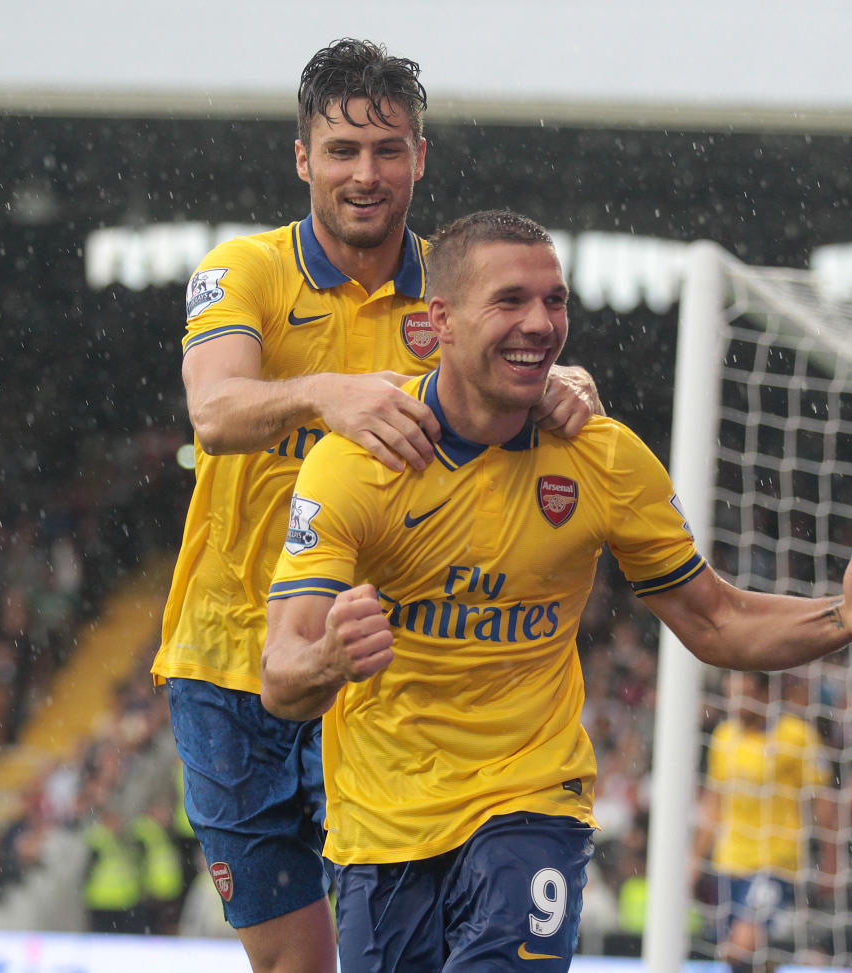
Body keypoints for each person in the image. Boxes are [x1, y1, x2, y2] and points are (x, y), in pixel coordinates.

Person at [260, 210, 852, 973]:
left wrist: (842, 614)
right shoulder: (355, 462)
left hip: (533, 803)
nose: (541, 323)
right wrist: (332, 658)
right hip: (383, 826)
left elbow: (717, 619)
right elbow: (282, 676)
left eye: (556, 301)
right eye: (511, 301)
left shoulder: (601, 457)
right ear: (440, 318)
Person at [150, 41, 600, 973]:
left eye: (388, 149)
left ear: (420, 159)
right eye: (344, 150)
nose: (367, 173)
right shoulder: (246, 272)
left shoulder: (458, 290)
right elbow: (214, 410)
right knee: (295, 963)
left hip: (383, 669)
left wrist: (565, 386)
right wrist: (328, 394)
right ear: (304, 157)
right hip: (231, 661)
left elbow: (528, 378)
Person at [692, 670, 837, 972]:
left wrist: (831, 860)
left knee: (739, 947)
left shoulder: (796, 735)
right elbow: (713, 804)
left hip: (775, 862)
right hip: (729, 861)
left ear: (764, 695)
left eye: (742, 695)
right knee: (742, 957)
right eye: (730, 695)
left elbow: (822, 801)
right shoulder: (723, 737)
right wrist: (695, 859)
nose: (734, 704)